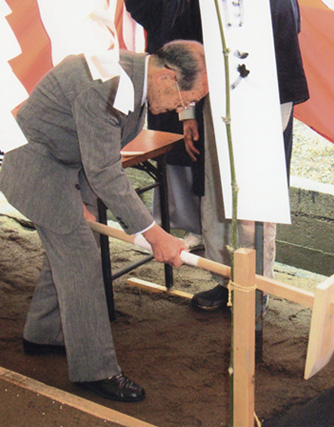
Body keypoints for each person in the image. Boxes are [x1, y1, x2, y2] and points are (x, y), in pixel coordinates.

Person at [0, 40, 208, 401]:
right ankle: (95, 371)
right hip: (32, 165)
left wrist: (76, 195)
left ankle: (43, 334)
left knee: (74, 243)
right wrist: (155, 235)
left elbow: (93, 150)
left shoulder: (133, 79)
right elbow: (105, 170)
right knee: (80, 254)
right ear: (167, 77)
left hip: (64, 164)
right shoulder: (109, 84)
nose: (181, 109)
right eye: (186, 99)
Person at [190, 0, 309, 311]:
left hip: (265, 97)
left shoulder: (279, 5)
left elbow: (285, 41)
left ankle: (256, 285)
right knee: (217, 194)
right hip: (214, 94)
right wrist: (187, 110)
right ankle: (222, 278)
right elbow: (188, 40)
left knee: (255, 199)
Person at [125, 0, 205, 248]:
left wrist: (188, 111)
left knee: (194, 149)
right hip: (162, 68)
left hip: (196, 75)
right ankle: (163, 223)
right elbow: (141, 10)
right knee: (168, 148)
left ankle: (198, 227)